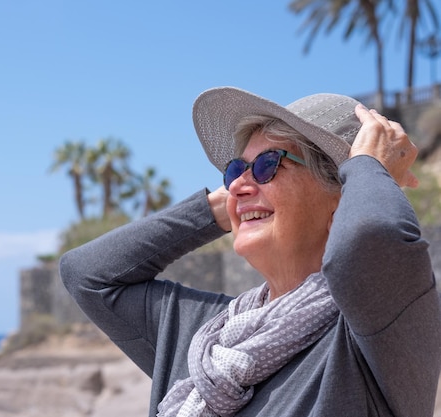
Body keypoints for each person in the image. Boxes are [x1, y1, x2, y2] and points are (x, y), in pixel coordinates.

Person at [59, 86, 441, 417]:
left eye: (268, 164)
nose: (240, 182)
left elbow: (369, 238)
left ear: (341, 197)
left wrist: (369, 167)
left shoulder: (377, 332)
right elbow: (88, 275)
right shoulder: (208, 338)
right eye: (234, 170)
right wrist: (231, 201)